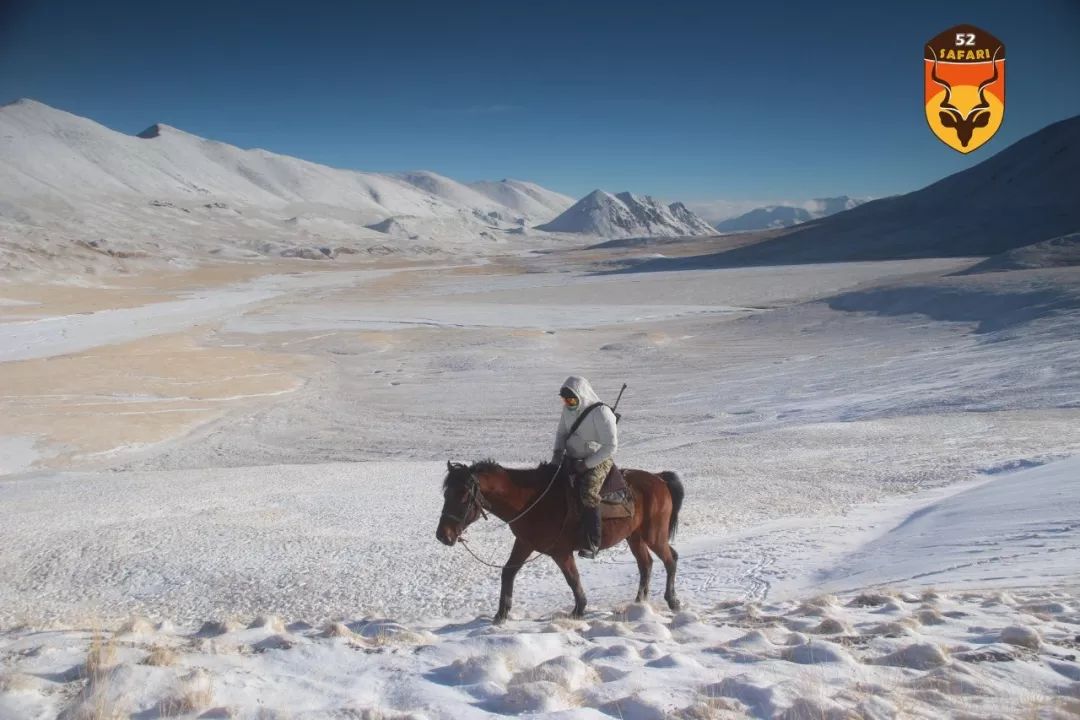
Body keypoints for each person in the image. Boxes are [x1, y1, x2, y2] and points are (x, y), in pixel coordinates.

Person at [552, 376, 618, 559]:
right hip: (572, 457)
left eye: (571, 399)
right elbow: (561, 433)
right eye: (564, 399)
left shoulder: (601, 413)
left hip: (598, 459)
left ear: (581, 395)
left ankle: (593, 541)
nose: (568, 403)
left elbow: (610, 446)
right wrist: (557, 455)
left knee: (589, 491)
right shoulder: (567, 410)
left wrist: (586, 465)